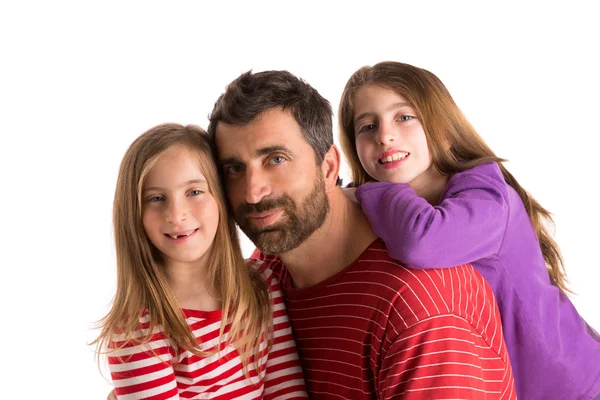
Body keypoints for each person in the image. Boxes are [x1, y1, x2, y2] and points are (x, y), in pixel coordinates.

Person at [206, 70, 517, 399]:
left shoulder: (420, 305)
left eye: (276, 159)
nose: (253, 193)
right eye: (234, 169)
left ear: (328, 168)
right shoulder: (270, 268)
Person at [337, 61, 600, 400]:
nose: (384, 135)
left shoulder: (486, 194)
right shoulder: (390, 216)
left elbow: (422, 242)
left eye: (404, 117)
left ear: (441, 126)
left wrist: (365, 191)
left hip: (574, 387)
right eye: (367, 126)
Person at [94, 123, 307, 399]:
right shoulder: (138, 330)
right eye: (156, 198)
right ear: (134, 214)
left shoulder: (261, 286)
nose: (176, 214)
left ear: (219, 197)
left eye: (194, 192)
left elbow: (287, 391)